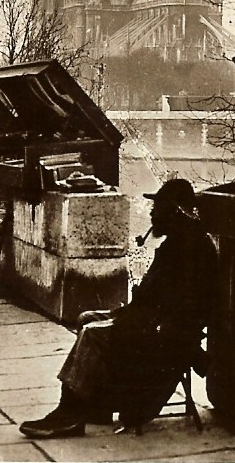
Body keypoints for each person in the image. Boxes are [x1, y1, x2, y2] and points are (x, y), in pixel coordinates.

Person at [18, 178, 216, 438]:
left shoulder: (190, 249)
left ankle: (69, 413)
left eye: (157, 207)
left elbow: (181, 308)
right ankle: (96, 404)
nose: (151, 213)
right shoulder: (179, 243)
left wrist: (132, 316)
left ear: (174, 211)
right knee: (86, 318)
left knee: (92, 332)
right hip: (150, 321)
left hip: (162, 333)